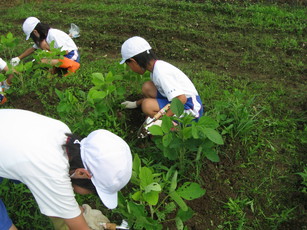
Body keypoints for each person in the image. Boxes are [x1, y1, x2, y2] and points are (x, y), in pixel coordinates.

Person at [0, 109, 132, 230]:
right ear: (82, 173)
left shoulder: (63, 134)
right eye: (93, 191)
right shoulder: (51, 171)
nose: (90, 194)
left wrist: (75, 212)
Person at [120, 36, 203, 123]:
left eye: (128, 65)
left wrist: (162, 120)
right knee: (147, 87)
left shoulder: (161, 72)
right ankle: (157, 115)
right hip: (180, 102)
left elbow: (181, 99)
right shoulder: (156, 67)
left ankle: (173, 126)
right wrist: (136, 104)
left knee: (147, 105)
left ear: (133, 61)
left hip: (190, 110)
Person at [11, 17, 80, 76]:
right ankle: (52, 74)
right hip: (63, 57)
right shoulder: (45, 36)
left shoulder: (53, 34)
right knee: (44, 58)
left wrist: (48, 54)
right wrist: (18, 58)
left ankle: (72, 66)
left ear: (35, 32)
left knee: (42, 61)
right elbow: (33, 48)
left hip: (71, 56)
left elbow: (65, 51)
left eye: (32, 36)